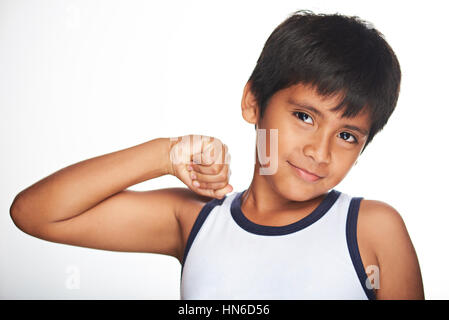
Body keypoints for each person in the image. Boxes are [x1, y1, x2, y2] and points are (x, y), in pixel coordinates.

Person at [10, 10, 424, 300]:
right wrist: (165, 154)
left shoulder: (371, 228)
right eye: (303, 116)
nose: (320, 151)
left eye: (348, 136)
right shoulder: (197, 220)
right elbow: (37, 213)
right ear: (253, 102)